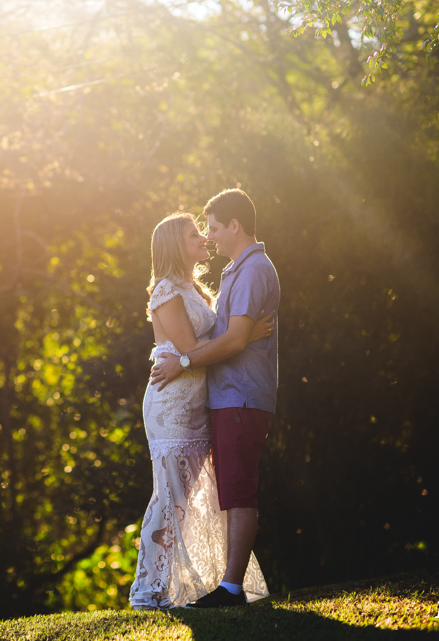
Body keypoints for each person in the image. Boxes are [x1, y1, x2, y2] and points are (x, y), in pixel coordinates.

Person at [128, 208, 272, 610]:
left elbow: (207, 347)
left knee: (191, 500)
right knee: (170, 495)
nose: (204, 240)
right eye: (195, 235)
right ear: (177, 245)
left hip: (198, 402)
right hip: (171, 404)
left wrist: (239, 336)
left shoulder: (196, 290)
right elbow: (192, 352)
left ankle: (186, 584)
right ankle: (150, 590)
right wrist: (240, 338)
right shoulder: (166, 291)